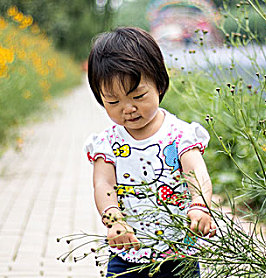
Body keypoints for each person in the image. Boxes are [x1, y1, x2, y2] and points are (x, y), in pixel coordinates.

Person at [85, 27, 216, 277]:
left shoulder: (180, 134)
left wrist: (200, 204)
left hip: (179, 255)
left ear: (159, 83)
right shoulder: (107, 142)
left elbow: (196, 171)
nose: (128, 108)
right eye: (113, 102)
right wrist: (114, 220)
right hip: (127, 252)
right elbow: (102, 183)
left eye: (138, 96)